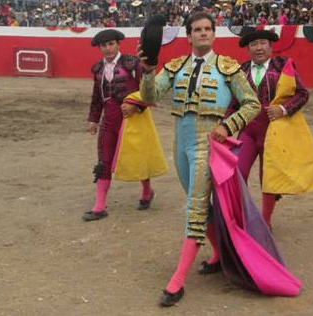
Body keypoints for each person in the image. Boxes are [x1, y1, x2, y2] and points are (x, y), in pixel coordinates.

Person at [137, 11, 261, 306]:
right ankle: (218, 255)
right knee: (199, 205)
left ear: (214, 34)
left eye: (207, 29)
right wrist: (147, 70)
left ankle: (177, 281)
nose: (203, 33)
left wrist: (227, 126)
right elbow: (149, 96)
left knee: (194, 209)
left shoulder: (227, 67)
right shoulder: (175, 66)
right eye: (197, 29)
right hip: (181, 143)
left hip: (207, 143)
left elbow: (252, 104)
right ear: (189, 35)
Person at [226, 30, 309, 230]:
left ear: (271, 47)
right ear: (248, 49)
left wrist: (283, 109)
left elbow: (302, 93)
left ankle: (265, 220)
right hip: (248, 129)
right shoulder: (240, 70)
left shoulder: (283, 66)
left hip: (274, 132)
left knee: (269, 178)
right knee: (237, 172)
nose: (259, 47)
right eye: (254, 44)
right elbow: (234, 102)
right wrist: (225, 126)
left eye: (263, 43)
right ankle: (242, 215)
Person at [83, 29, 155, 222]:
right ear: (99, 48)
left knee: (137, 156)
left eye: (111, 44)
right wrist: (93, 119)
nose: (108, 48)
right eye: (104, 45)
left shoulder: (132, 63)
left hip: (131, 118)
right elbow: (97, 97)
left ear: (118, 44)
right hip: (109, 120)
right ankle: (99, 206)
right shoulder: (98, 69)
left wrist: (137, 106)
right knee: (104, 160)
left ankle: (147, 191)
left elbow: (149, 88)